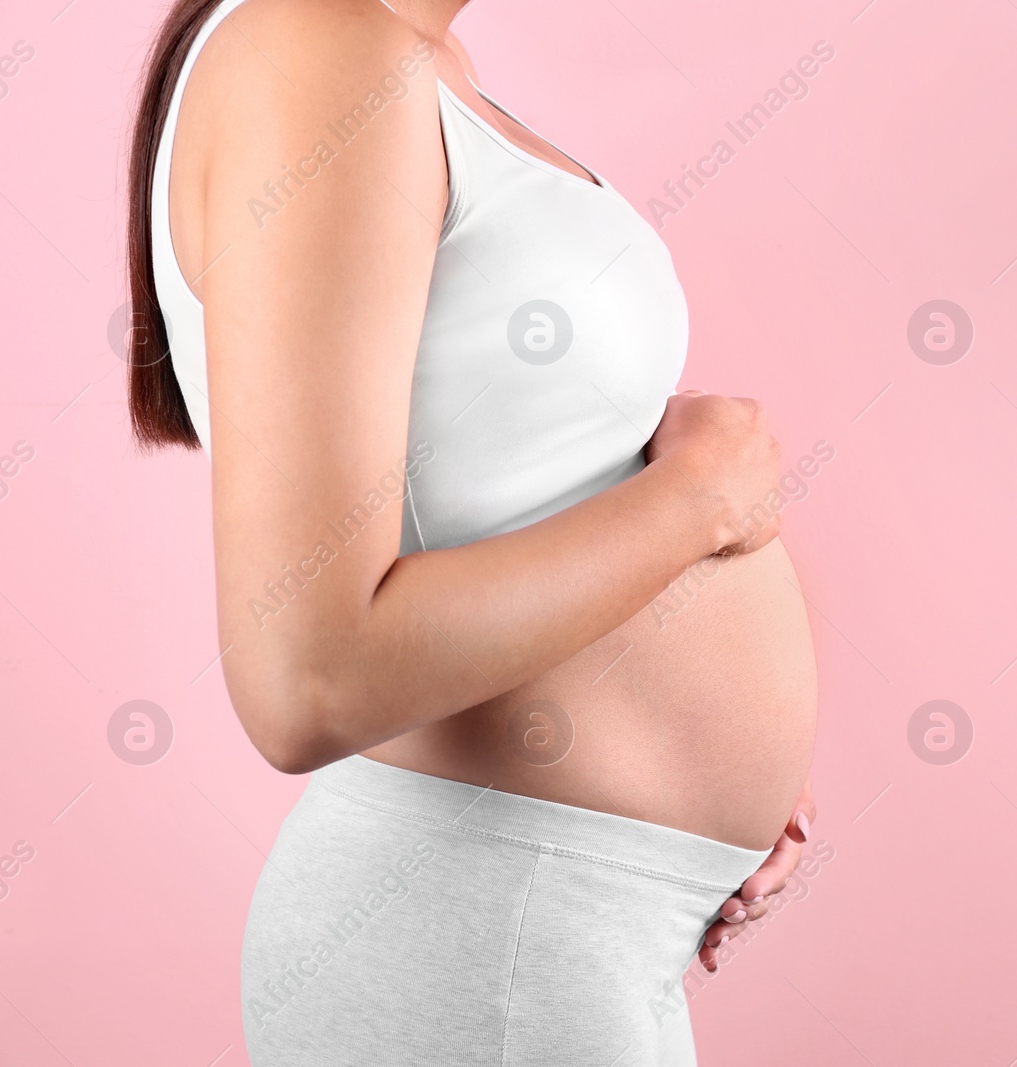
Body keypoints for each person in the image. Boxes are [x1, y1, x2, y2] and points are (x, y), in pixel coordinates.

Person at [124, 0, 820, 1061]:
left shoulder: (411, 57)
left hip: (551, 927)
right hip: (487, 930)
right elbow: (307, 678)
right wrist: (698, 501)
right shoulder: (318, 45)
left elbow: (500, 490)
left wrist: (725, 775)